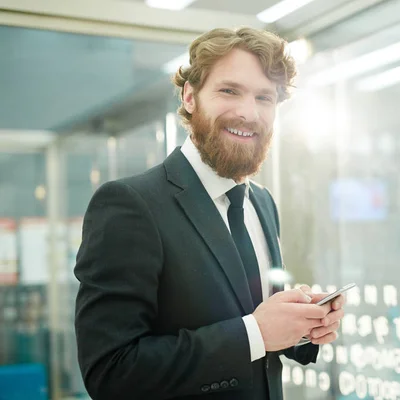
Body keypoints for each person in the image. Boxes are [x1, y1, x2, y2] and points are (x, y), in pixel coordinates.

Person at [74, 27, 345, 400]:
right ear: (190, 96)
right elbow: (111, 371)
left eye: (264, 98)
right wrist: (255, 333)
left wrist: (301, 326)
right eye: (229, 90)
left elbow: (254, 328)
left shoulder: (261, 202)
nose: (248, 113)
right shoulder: (129, 205)